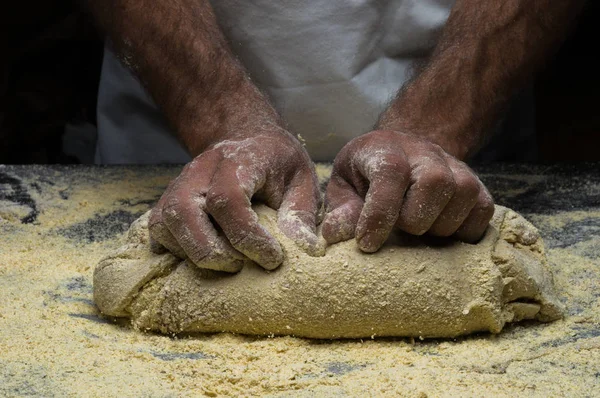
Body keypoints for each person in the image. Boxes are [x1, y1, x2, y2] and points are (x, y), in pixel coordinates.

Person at [88, 0, 583, 272]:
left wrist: (431, 128)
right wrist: (229, 128)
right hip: (178, 138)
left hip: (459, 161)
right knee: (193, 241)